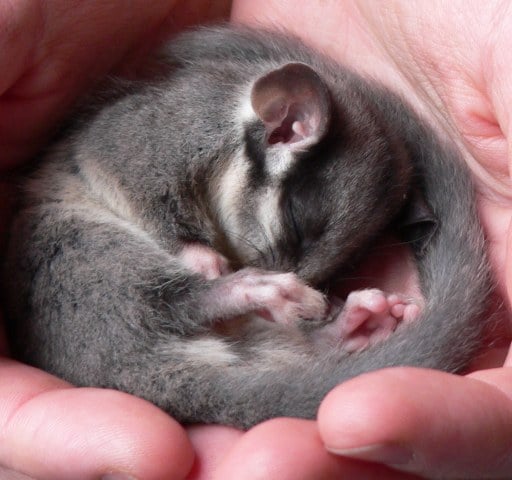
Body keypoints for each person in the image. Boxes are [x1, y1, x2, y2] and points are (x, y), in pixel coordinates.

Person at [1, 1, 511, 478]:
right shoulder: (183, 122)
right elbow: (116, 165)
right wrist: (191, 257)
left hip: (186, 354)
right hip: (99, 321)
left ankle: (327, 344)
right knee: (59, 239)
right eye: (295, 229)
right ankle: (223, 304)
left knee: (306, 360)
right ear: (282, 128)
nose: (297, 273)